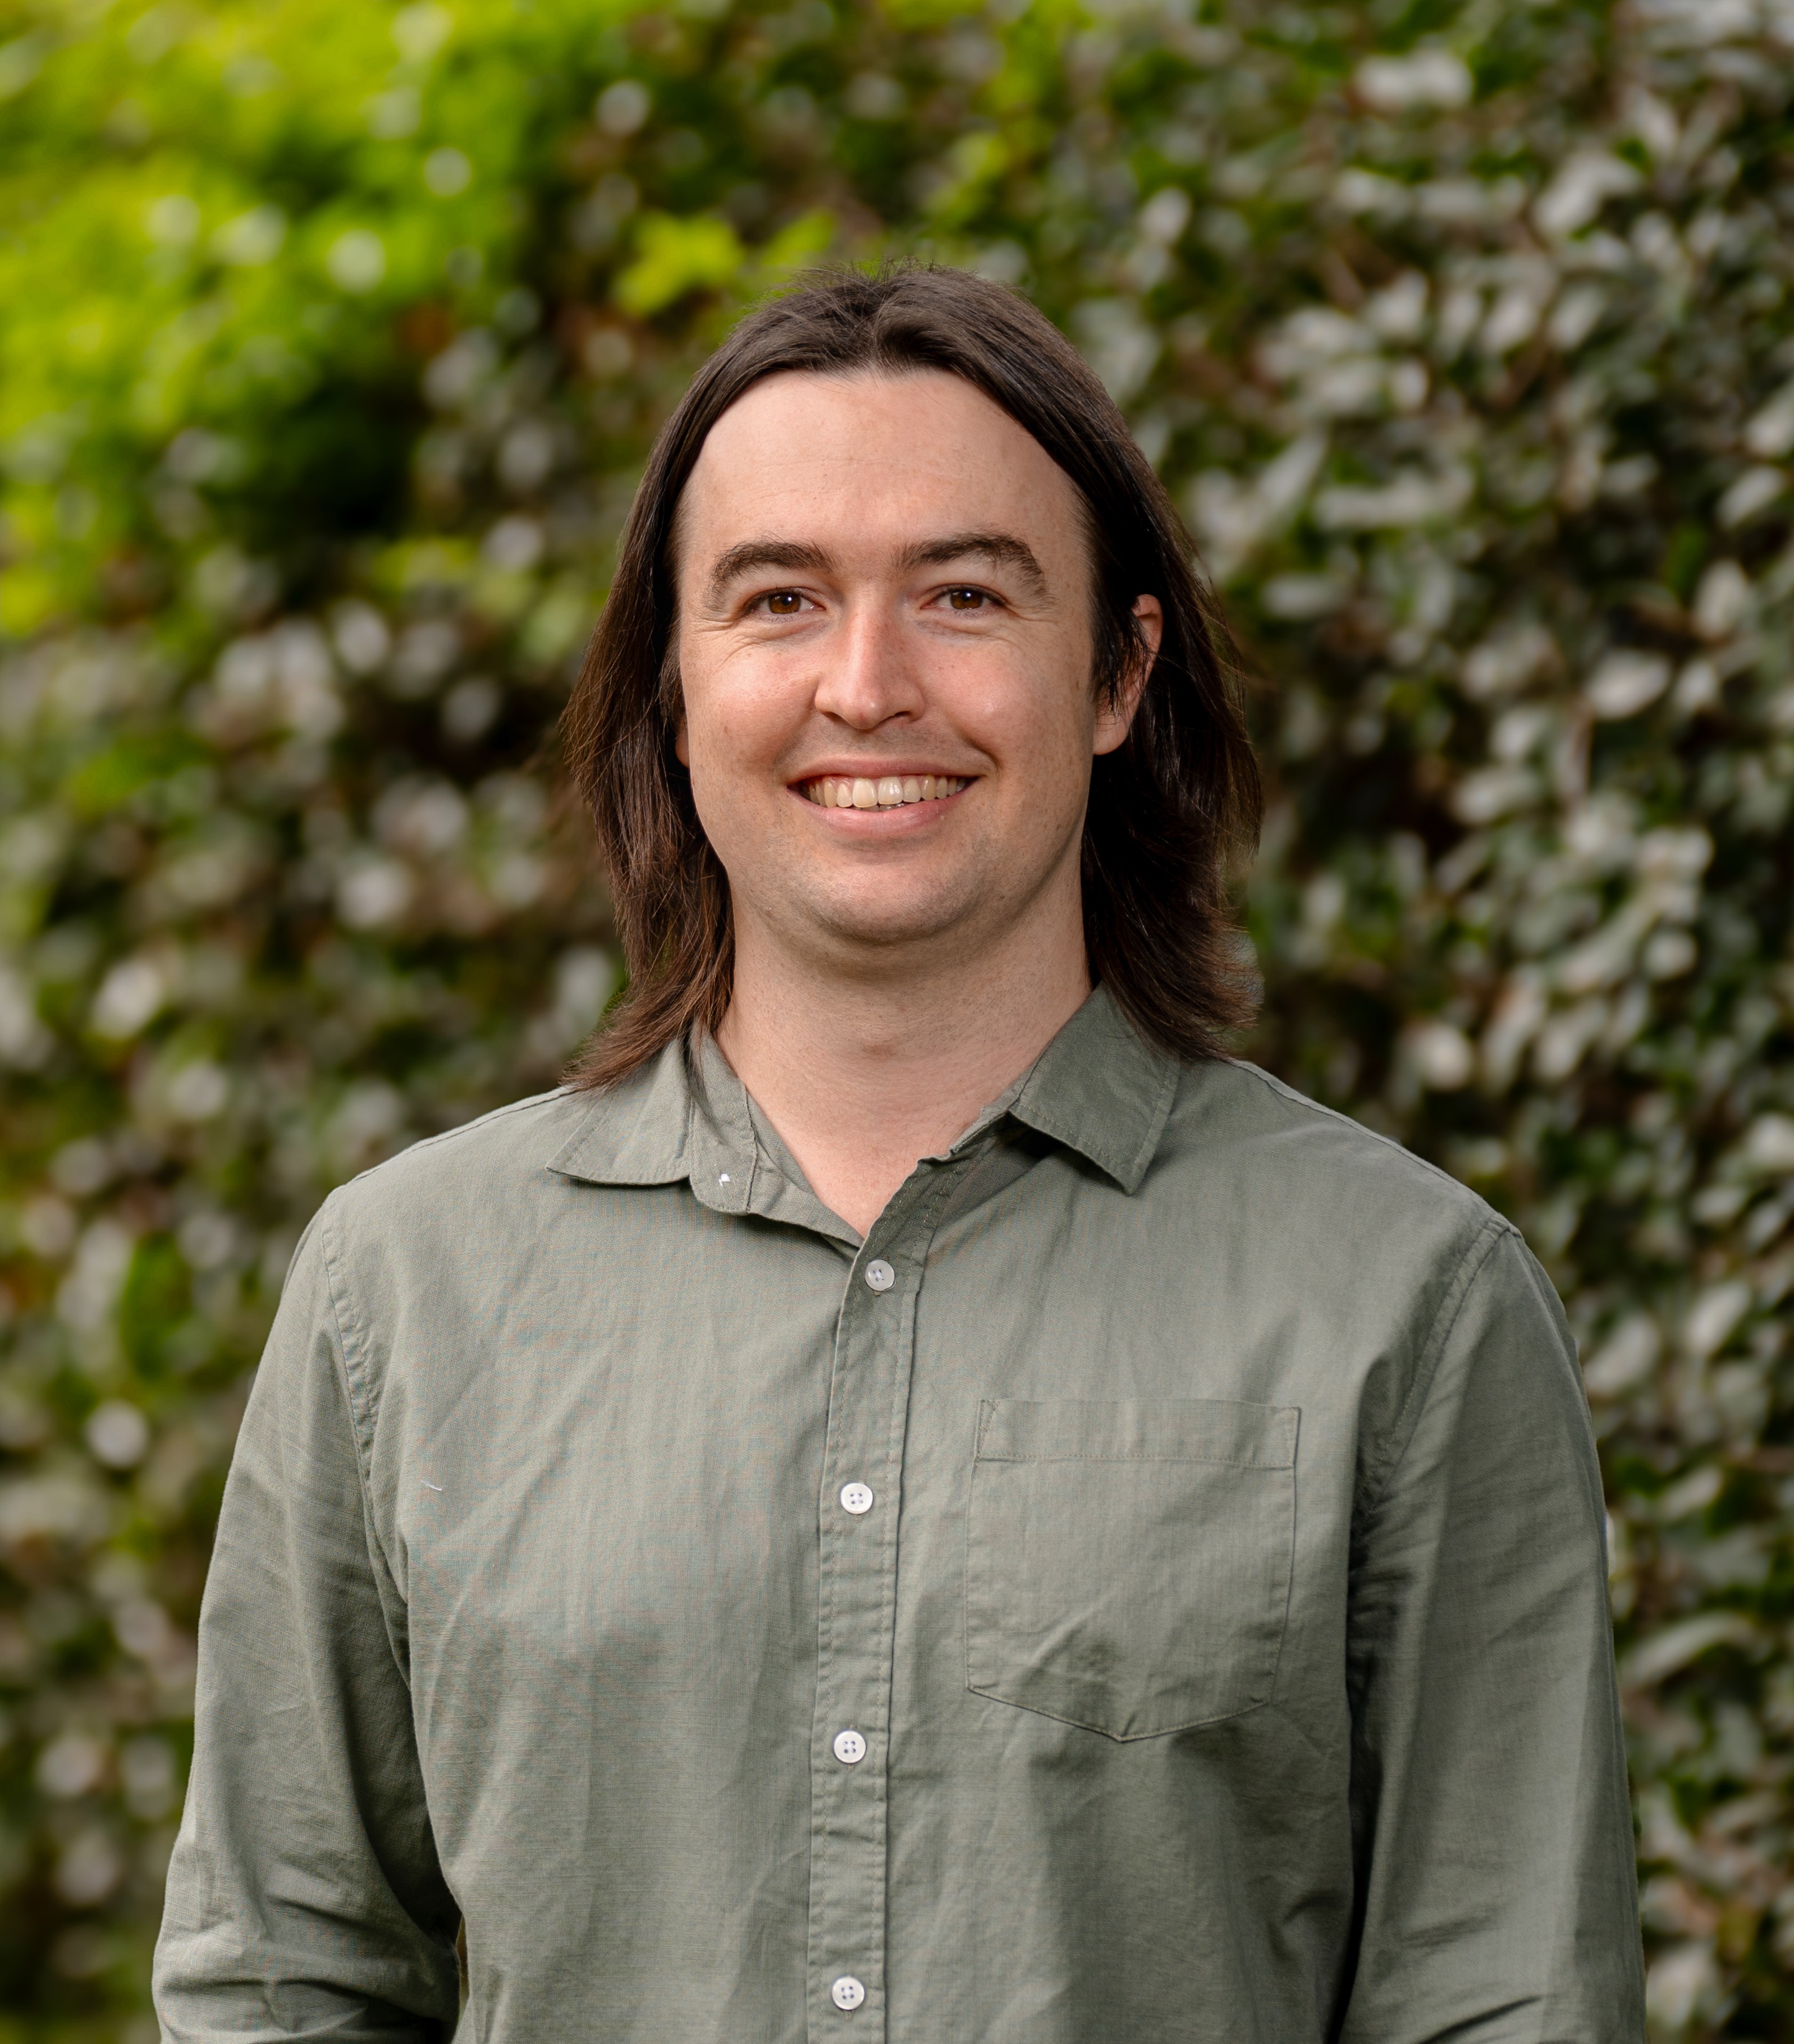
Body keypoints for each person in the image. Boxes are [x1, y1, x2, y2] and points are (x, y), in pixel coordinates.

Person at [154, 265, 1644, 2042]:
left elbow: (1510, 2002)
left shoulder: (1409, 1299)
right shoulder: (401, 1293)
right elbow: (282, 1979)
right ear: (675, 687)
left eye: (963, 595)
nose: (867, 686)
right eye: (781, 599)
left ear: (1117, 673)